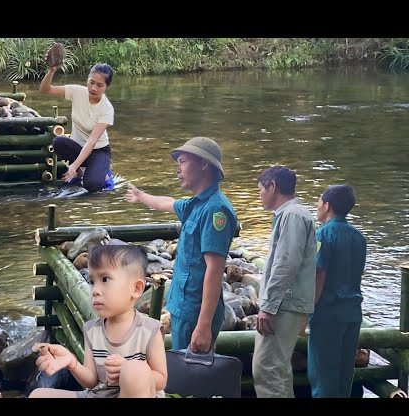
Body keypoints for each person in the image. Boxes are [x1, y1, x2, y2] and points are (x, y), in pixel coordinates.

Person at [125, 137, 237, 353]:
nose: (178, 170)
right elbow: (167, 202)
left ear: (204, 164)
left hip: (195, 313)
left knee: (193, 381)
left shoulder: (216, 210)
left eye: (183, 162)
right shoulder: (195, 204)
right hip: (184, 308)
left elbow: (214, 270)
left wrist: (203, 326)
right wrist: (141, 197)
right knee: (185, 376)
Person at [29, 245, 167, 398]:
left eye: (105, 279)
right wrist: (72, 363)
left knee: (135, 370)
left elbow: (161, 380)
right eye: (92, 281)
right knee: (38, 395)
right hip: (98, 395)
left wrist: (127, 370)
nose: (95, 290)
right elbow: (92, 381)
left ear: (136, 288)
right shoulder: (92, 329)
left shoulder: (149, 330)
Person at [252, 165, 316, 398]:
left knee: (267, 370)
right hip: (289, 303)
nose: (259, 195)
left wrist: (268, 307)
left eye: (261, 189)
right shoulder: (295, 214)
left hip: (283, 305)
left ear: (273, 186)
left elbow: (286, 263)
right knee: (278, 370)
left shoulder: (292, 215)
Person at [305, 185, 367, 398]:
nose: (317, 207)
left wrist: (307, 311)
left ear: (327, 205)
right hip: (352, 312)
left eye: (319, 202)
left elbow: (318, 275)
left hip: (328, 314)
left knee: (323, 377)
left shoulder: (322, 235)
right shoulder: (359, 237)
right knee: (343, 376)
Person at [39, 54, 114, 193]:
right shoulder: (77, 92)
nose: (93, 88)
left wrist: (73, 166)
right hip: (78, 146)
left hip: (99, 151)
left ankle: (104, 173)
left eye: (99, 85)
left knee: (92, 186)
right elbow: (45, 89)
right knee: (59, 142)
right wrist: (52, 70)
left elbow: (91, 142)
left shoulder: (107, 109)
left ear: (106, 87)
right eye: (91, 82)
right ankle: (80, 173)